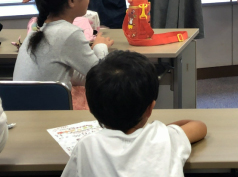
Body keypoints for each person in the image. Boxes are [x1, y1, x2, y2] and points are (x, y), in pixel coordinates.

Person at [61, 50, 207, 177]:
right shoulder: (165, 137)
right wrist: (165, 129)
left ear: (91, 109)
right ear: (150, 108)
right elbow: (199, 126)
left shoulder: (86, 147)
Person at [13, 0, 113, 90]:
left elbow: (73, 75)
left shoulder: (37, 30)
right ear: (72, 0)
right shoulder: (69, 33)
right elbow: (102, 77)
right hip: (48, 109)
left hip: (20, 108)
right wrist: (100, 46)